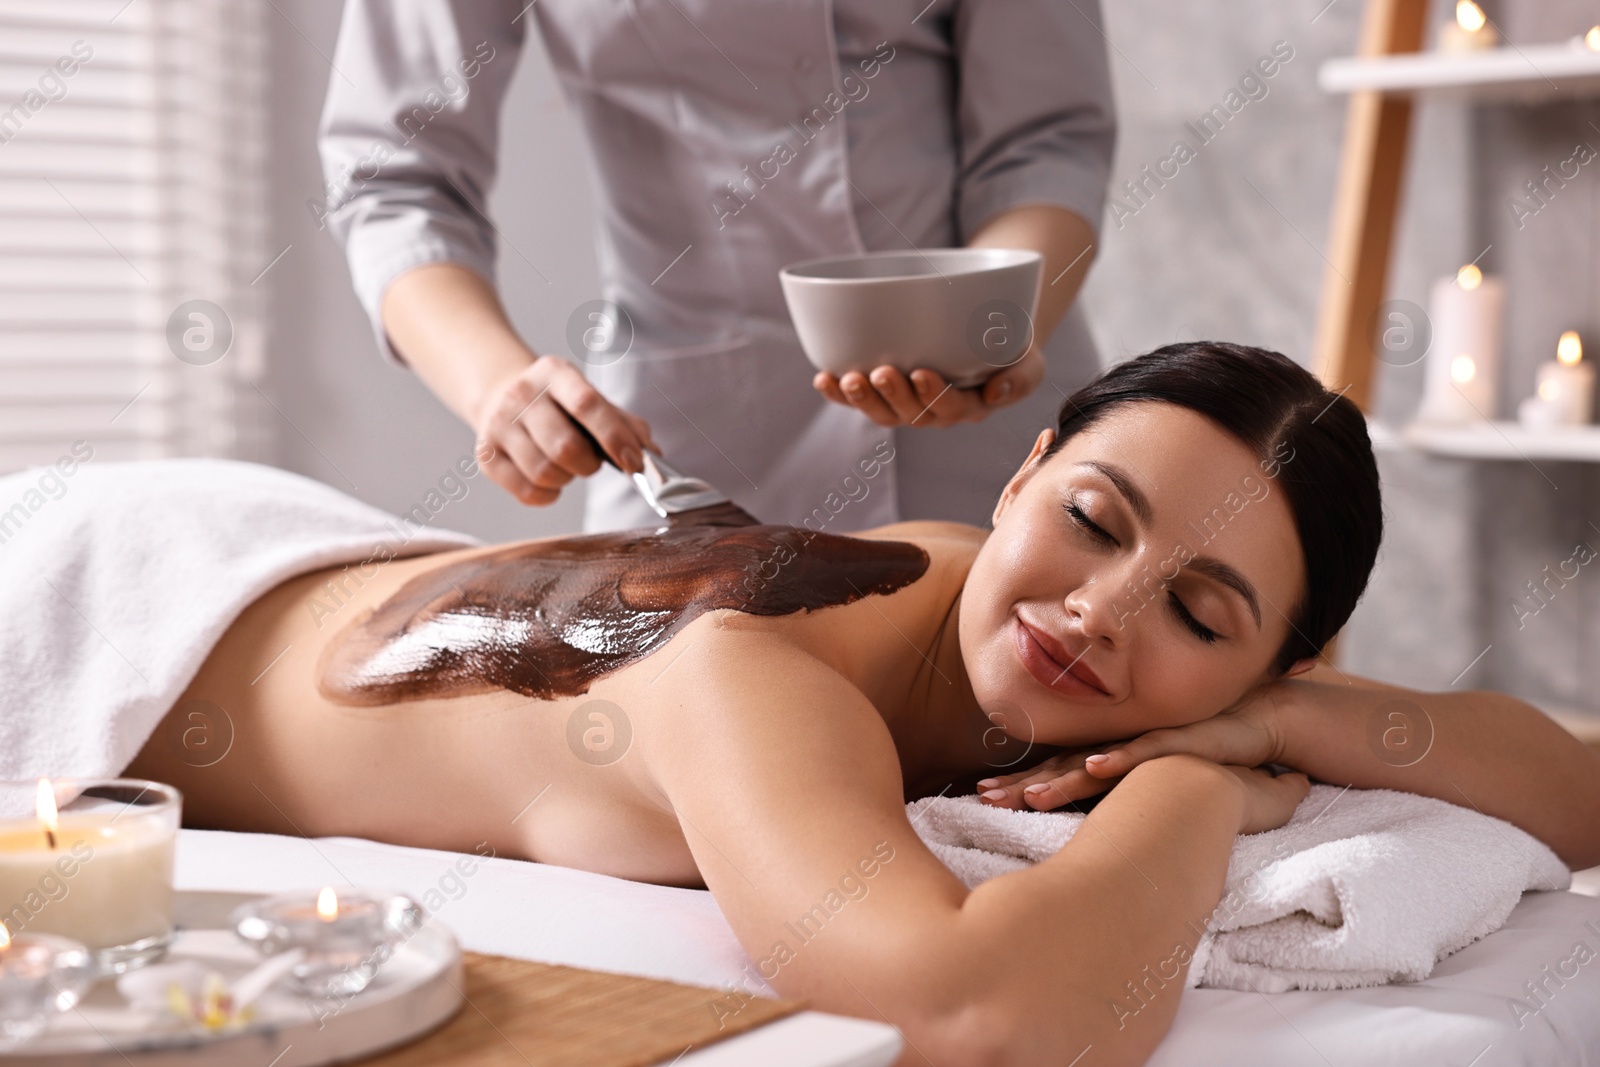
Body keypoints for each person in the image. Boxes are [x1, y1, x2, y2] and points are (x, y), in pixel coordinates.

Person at [128, 343, 1600, 1065]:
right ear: (1019, 477)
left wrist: (1275, 723)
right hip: (127, 603)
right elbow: (978, 1011)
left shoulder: (1075, 635)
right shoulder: (749, 664)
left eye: (1201, 612)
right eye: (1090, 517)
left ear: (1290, 656)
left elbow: (1574, 788)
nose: (1099, 607)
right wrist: (1201, 783)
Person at [316, 0, 1115, 532]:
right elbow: (394, 173)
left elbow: (1043, 143)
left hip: (993, 431)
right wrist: (498, 387)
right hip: (683, 441)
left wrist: (991, 321)